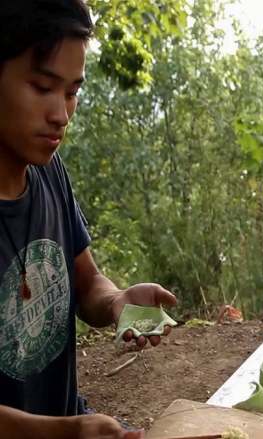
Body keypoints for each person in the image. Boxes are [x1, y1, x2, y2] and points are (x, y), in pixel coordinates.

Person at [0, 1, 177, 437]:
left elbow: (85, 282)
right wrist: (66, 433)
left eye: (72, 92)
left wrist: (116, 302)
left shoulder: (48, 171)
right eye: (42, 87)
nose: (61, 114)